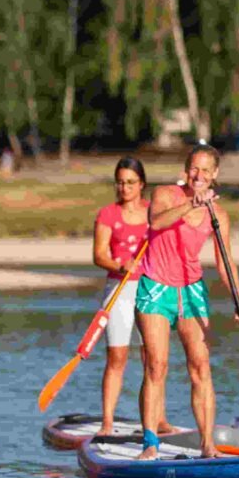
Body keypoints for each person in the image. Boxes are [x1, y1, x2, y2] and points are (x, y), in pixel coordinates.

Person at [135, 144, 239, 460]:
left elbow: (225, 262)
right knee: (156, 364)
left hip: (191, 292)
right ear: (186, 170)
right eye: (194, 168)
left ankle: (207, 446)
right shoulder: (165, 194)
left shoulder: (218, 215)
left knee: (200, 366)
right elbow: (156, 223)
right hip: (156, 288)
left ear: (215, 174)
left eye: (205, 170)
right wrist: (190, 204)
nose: (198, 175)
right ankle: (150, 443)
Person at [92, 157, 174, 436]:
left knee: (153, 359)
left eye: (130, 182)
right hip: (120, 289)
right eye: (120, 182)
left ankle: (158, 419)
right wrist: (120, 265)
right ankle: (107, 423)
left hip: (151, 289)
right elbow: (99, 255)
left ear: (142, 184)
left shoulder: (155, 212)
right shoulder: (108, 215)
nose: (124, 188)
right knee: (117, 357)